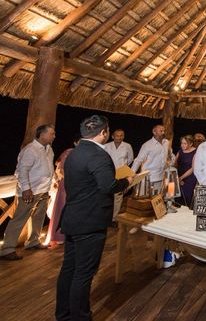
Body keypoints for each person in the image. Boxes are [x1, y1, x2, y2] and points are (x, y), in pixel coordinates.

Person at [55, 115, 132, 321]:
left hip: (72, 218)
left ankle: (62, 314)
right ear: (104, 133)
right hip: (90, 221)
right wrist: (126, 182)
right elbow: (108, 185)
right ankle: (80, 317)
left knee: (68, 270)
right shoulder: (98, 155)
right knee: (83, 273)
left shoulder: (74, 153)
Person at [0, 124, 56, 260]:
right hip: (31, 191)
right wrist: (26, 189)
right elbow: (21, 171)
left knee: (38, 217)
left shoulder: (48, 149)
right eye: (52, 134)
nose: (54, 136)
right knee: (19, 219)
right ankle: (7, 249)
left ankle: (33, 241)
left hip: (44, 190)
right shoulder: (30, 150)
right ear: (42, 134)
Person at [46, 135, 81, 249]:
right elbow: (61, 170)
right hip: (67, 185)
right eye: (80, 142)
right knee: (62, 209)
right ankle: (59, 237)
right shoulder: (68, 153)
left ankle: (73, 235)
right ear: (75, 143)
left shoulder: (83, 154)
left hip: (78, 186)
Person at [104, 129, 134, 221]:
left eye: (121, 135)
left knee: (118, 197)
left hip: (121, 174)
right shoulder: (106, 146)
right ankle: (105, 217)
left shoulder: (127, 146)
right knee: (107, 196)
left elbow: (130, 159)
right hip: (108, 173)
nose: (119, 137)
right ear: (113, 136)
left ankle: (113, 219)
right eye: (117, 135)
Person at [131, 125, 170, 192]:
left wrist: (170, 164)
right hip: (148, 178)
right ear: (154, 132)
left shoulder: (166, 142)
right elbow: (138, 160)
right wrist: (131, 175)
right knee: (144, 200)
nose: (163, 133)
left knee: (157, 199)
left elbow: (169, 154)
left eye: (164, 131)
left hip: (160, 177)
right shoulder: (147, 145)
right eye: (161, 131)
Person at [176, 135, 197, 207]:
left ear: (190, 144)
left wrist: (181, 178)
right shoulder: (180, 151)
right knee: (178, 197)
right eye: (182, 143)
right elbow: (174, 164)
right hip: (179, 176)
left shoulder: (195, 152)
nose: (182, 145)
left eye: (185, 143)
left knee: (187, 197)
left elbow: (193, 168)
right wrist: (177, 177)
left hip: (190, 177)